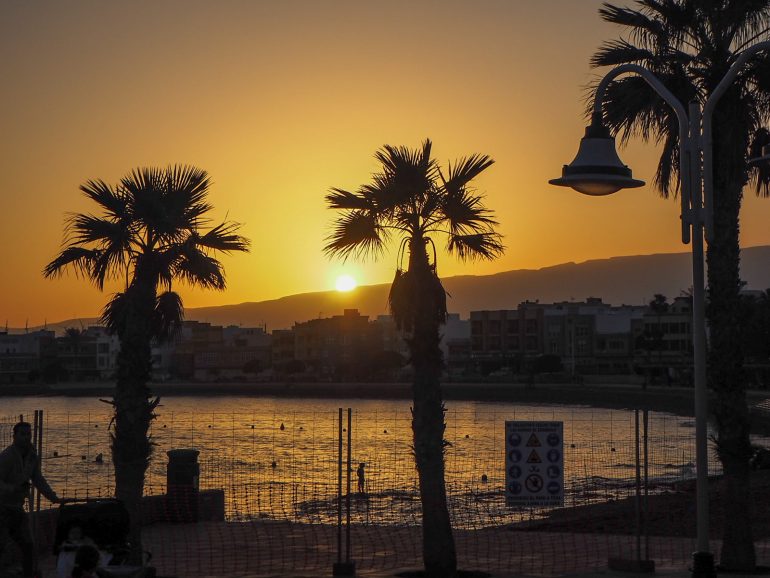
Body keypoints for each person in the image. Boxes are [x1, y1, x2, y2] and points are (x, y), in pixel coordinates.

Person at [0, 421, 64, 578]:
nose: (26, 437)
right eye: (22, 434)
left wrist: (53, 497)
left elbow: (38, 479)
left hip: (17, 508)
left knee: (28, 545)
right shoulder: (7, 457)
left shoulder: (32, 457)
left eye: (28, 434)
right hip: (2, 507)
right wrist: (11, 488)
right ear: (14, 436)